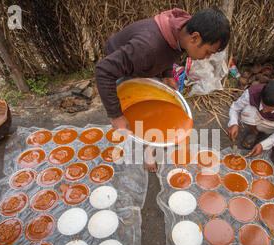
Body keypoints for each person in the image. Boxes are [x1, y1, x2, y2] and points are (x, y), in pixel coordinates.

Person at [96, 7, 230, 172]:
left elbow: (171, 52)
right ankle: (148, 150)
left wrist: (166, 75)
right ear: (195, 38)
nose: (208, 57)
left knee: (155, 108)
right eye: (208, 52)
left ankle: (148, 146)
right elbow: (103, 71)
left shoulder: (183, 32)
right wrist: (116, 115)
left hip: (144, 61)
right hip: (121, 63)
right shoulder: (147, 49)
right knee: (140, 109)